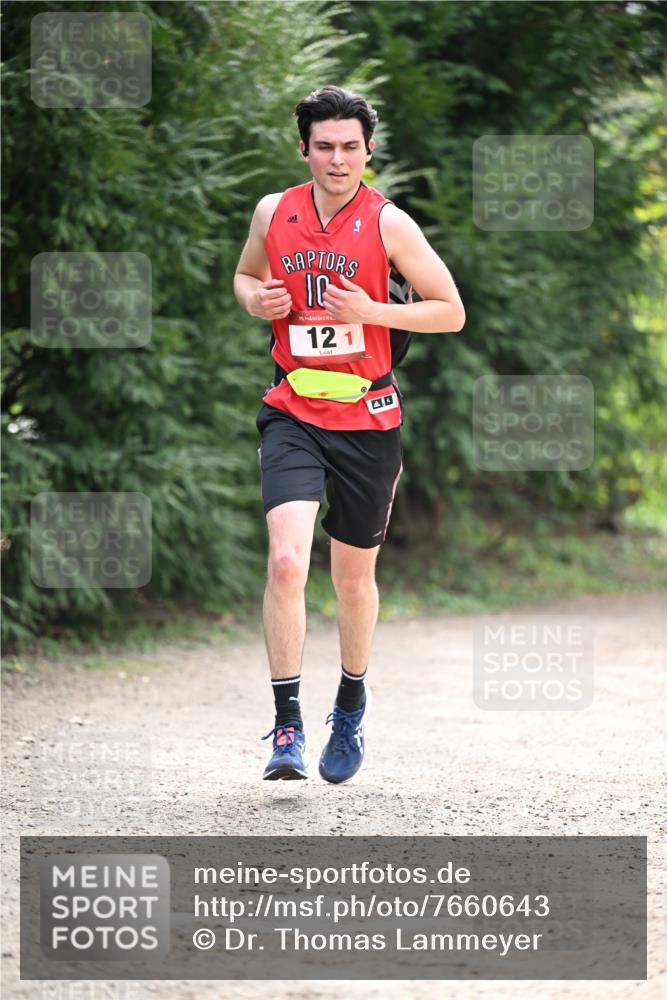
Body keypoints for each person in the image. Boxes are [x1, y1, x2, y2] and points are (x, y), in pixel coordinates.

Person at [234, 85, 465, 784]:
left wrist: (371, 310)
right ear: (302, 147)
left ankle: (352, 704)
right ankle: (286, 727)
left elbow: (449, 311)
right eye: (325, 146)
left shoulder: (389, 224)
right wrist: (258, 299)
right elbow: (245, 277)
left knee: (353, 581)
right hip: (294, 410)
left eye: (350, 147)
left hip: (368, 417)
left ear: (368, 150)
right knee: (284, 563)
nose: (338, 159)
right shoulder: (274, 212)